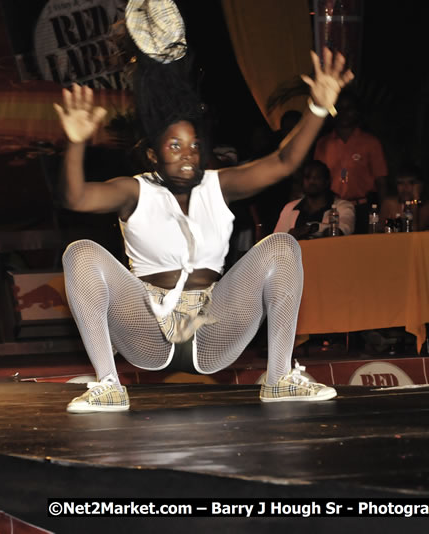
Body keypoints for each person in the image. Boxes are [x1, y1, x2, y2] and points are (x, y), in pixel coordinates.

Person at [53, 35, 354, 412]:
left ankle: (279, 379)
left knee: (283, 246)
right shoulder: (135, 190)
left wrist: (318, 108)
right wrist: (76, 143)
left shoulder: (217, 184)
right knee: (80, 253)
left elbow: (283, 162)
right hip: (148, 328)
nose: (187, 155)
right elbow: (75, 198)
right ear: (153, 154)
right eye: (174, 146)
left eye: (194, 146)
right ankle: (109, 385)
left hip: (213, 328)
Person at [313, 89, 388, 233]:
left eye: (349, 108)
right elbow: (317, 177)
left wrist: (382, 212)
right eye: (339, 108)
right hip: (334, 209)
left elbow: (381, 181)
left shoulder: (370, 142)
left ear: (357, 112)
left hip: (363, 207)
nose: (344, 113)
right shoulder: (323, 143)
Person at [274, 159, 355, 239]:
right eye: (307, 177)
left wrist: (313, 228)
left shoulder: (342, 206)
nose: (311, 181)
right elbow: (277, 239)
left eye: (317, 177)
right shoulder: (290, 207)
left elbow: (344, 229)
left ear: (327, 181)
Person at [378, 165, 429, 231]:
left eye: (411, 183)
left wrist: (415, 201)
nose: (405, 187)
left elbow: (414, 232)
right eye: (400, 183)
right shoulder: (389, 203)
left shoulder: (427, 205)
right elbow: (377, 231)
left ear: (420, 185)